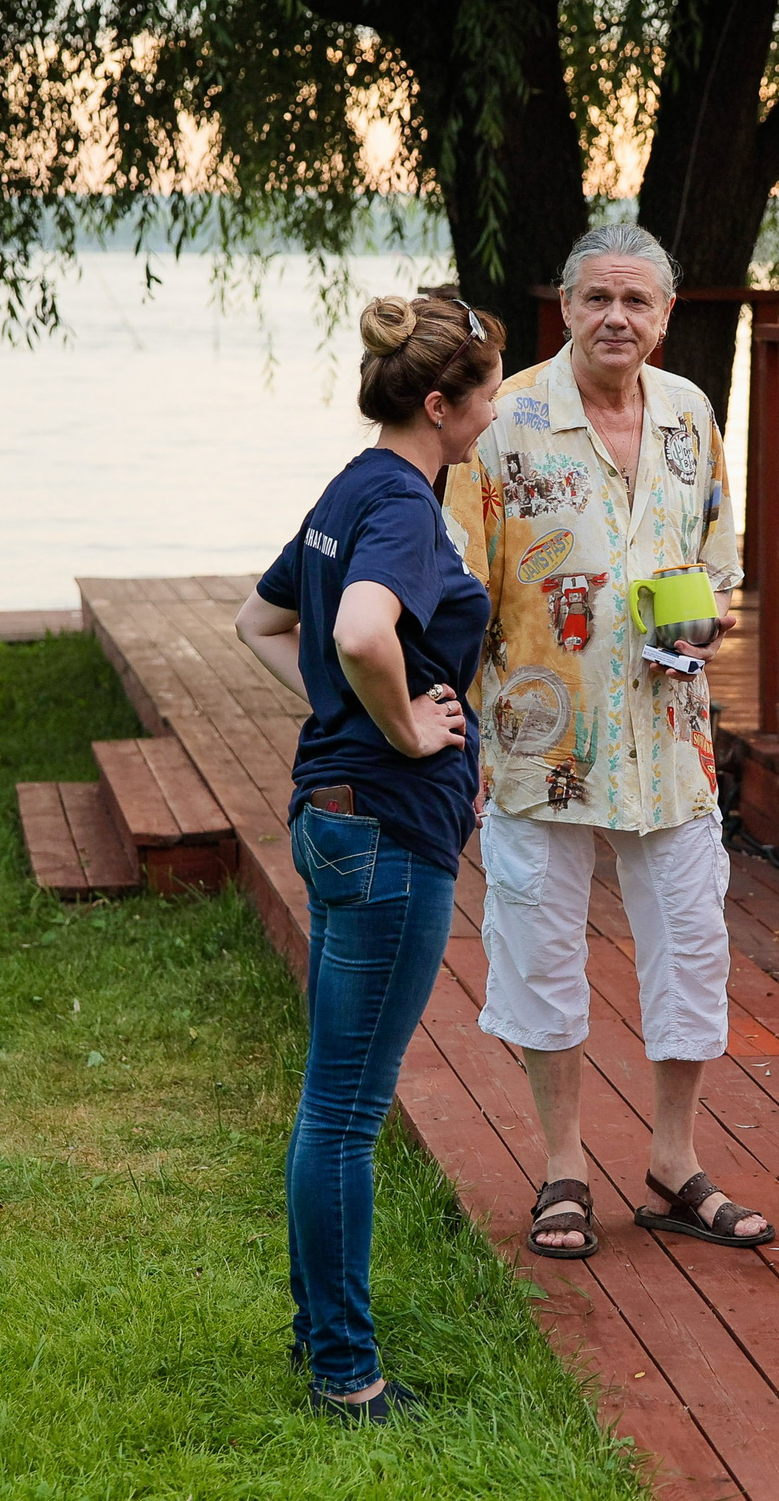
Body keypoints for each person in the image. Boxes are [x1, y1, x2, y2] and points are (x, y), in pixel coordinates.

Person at [444, 222, 769, 1263]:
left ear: (666, 317)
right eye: (597, 300)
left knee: (690, 949)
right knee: (541, 958)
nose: (616, 319)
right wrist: (455, 737)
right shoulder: (504, 426)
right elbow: (457, 592)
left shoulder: (689, 412)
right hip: (538, 740)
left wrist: (709, 620)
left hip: (670, 742)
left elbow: (718, 558)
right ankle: (562, 1166)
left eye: (637, 303)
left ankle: (674, 1165)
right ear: (566, 307)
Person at [234, 293, 504, 1422]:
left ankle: (321, 1344)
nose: (497, 407)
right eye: (487, 391)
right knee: (345, 1114)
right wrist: (400, 729)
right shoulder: (400, 504)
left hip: (335, 820)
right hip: (388, 833)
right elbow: (352, 632)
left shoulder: (352, 486)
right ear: (440, 405)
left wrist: (347, 723)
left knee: (327, 1105)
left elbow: (260, 621)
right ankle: (346, 1374)